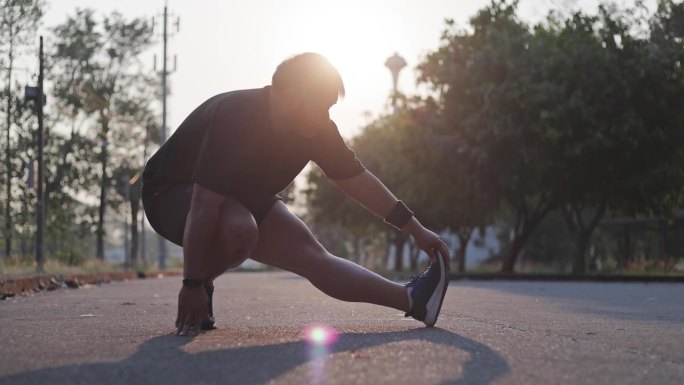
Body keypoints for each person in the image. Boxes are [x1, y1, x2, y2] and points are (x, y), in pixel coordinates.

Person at [142, 53, 451, 337]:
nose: (325, 118)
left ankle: (414, 300)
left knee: (313, 256)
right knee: (240, 229)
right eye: (320, 107)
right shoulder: (235, 117)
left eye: (329, 107)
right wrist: (193, 283)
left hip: (240, 198)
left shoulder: (316, 128)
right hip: (170, 194)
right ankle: (203, 290)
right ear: (288, 97)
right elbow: (203, 206)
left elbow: (357, 181)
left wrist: (415, 229)